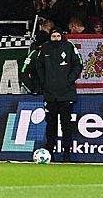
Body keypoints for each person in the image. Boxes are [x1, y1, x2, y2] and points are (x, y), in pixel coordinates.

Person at [27, 27, 82, 162]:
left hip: (66, 93)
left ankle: (67, 153)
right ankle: (49, 151)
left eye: (58, 36)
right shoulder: (45, 48)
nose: (56, 38)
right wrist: (44, 81)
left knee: (66, 125)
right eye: (53, 36)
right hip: (50, 94)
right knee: (50, 124)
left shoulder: (69, 46)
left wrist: (69, 80)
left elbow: (79, 64)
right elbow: (38, 66)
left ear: (61, 36)